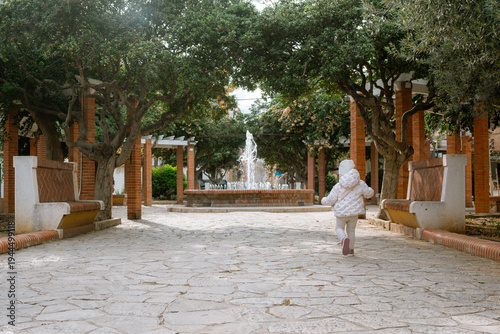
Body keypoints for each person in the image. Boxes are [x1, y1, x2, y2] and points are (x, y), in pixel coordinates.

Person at [321, 159, 374, 256]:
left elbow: (330, 199)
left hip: (341, 213)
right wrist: (371, 190)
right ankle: (351, 250)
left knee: (339, 228)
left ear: (341, 174)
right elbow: (368, 194)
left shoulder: (338, 186)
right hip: (354, 213)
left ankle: (343, 239)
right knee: (351, 230)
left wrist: (323, 200)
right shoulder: (360, 183)